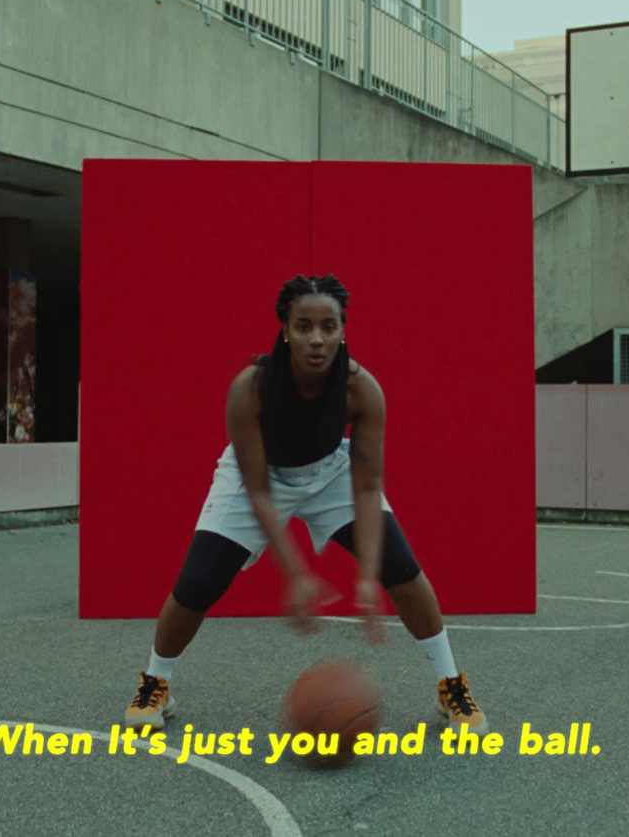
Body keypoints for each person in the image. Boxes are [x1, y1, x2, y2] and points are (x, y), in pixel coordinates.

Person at [122, 274, 487, 734]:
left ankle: (450, 686)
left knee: (403, 571)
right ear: (285, 330)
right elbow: (257, 488)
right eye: (304, 326)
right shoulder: (249, 388)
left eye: (328, 326)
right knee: (198, 583)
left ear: (342, 332)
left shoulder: (362, 390)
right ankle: (156, 682)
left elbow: (368, 487)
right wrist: (295, 575)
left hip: (330, 472)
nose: (316, 338)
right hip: (257, 476)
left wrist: (368, 576)